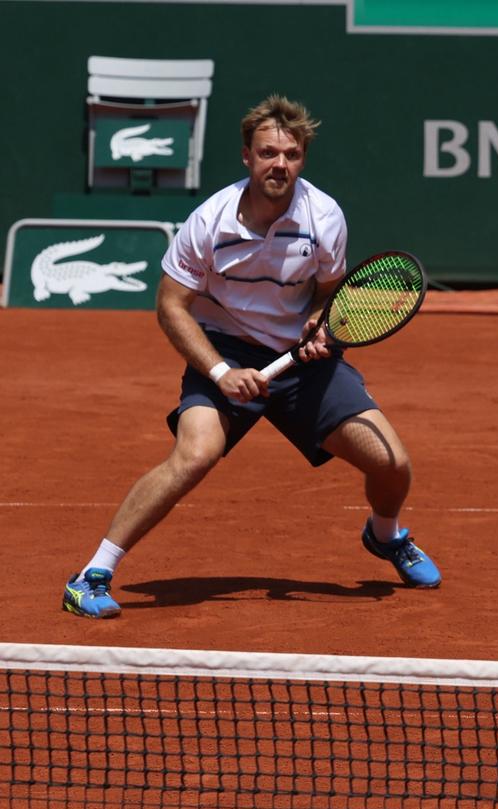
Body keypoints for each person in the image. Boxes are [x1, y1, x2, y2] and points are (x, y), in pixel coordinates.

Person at [61, 95, 439, 619]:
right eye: (267, 153)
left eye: (290, 153)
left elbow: (333, 295)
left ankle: (385, 535)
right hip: (226, 348)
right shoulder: (209, 221)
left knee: (391, 462)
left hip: (299, 361)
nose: (279, 164)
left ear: (302, 158)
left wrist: (322, 329)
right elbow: (171, 307)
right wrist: (219, 370)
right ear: (247, 156)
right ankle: (91, 575)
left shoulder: (324, 217)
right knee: (194, 455)